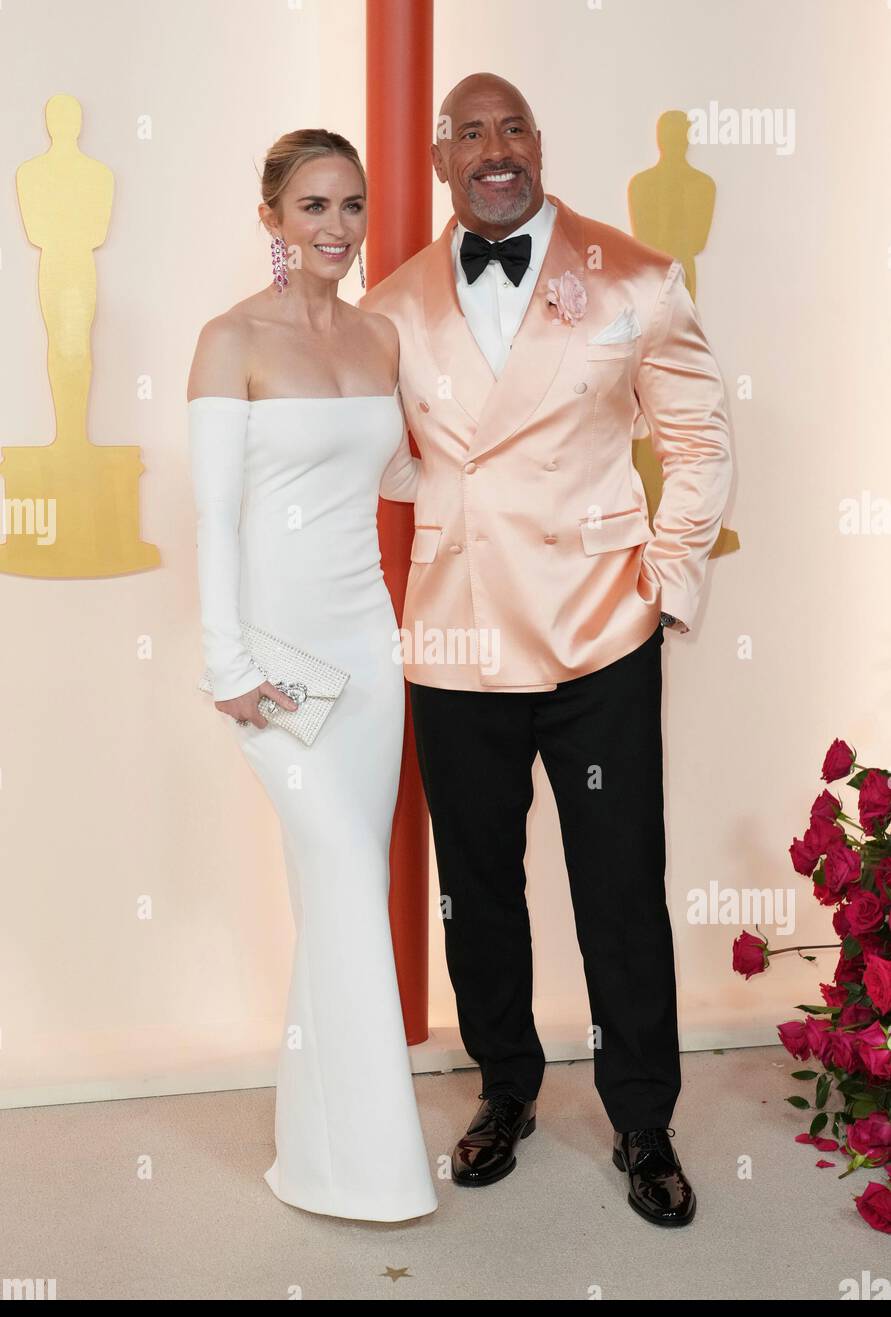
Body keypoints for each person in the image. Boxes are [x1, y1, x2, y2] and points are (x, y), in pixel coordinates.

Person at [361, 73, 735, 1226]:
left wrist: (666, 585)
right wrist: (455, 501)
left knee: (618, 883)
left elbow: (697, 431)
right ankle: (505, 1088)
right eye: (468, 134)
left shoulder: (631, 274)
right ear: (440, 164)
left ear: (538, 143)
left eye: (510, 127)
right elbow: (371, 451)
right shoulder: (390, 303)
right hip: (456, 639)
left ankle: (641, 1119)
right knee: (478, 890)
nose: (493, 149)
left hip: (596, 636)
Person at [187, 128, 436, 1222]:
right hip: (272, 660)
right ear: (273, 220)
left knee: (345, 895)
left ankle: (324, 1145)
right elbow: (212, 516)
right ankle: (373, 1167)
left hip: (366, 656)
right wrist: (225, 667)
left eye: (350, 207)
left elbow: (395, 468)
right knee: (338, 877)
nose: (335, 229)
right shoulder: (227, 339)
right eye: (312, 208)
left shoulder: (382, 338)